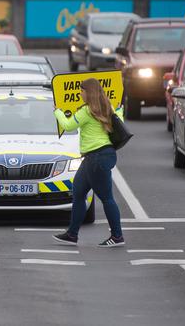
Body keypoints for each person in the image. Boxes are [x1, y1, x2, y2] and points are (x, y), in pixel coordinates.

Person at [51, 78, 125, 248]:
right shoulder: (108, 106)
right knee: (78, 192)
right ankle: (72, 234)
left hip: (96, 157)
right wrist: (120, 111)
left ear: (88, 92)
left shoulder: (86, 111)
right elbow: (119, 119)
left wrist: (58, 112)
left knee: (107, 198)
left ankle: (117, 236)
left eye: (81, 91)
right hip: (97, 156)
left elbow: (68, 126)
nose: (79, 93)